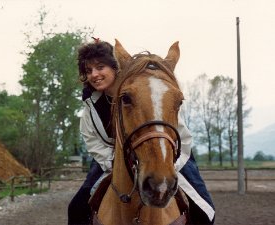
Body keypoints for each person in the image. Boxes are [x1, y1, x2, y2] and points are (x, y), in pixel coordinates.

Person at [68, 39, 215, 225]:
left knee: (204, 208)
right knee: (76, 207)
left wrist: (170, 163)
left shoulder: (147, 94)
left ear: (115, 68)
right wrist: (114, 164)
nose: (94, 74)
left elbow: (181, 136)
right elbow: (92, 140)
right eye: (89, 71)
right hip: (109, 159)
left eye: (100, 67)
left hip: (167, 154)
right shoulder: (90, 106)